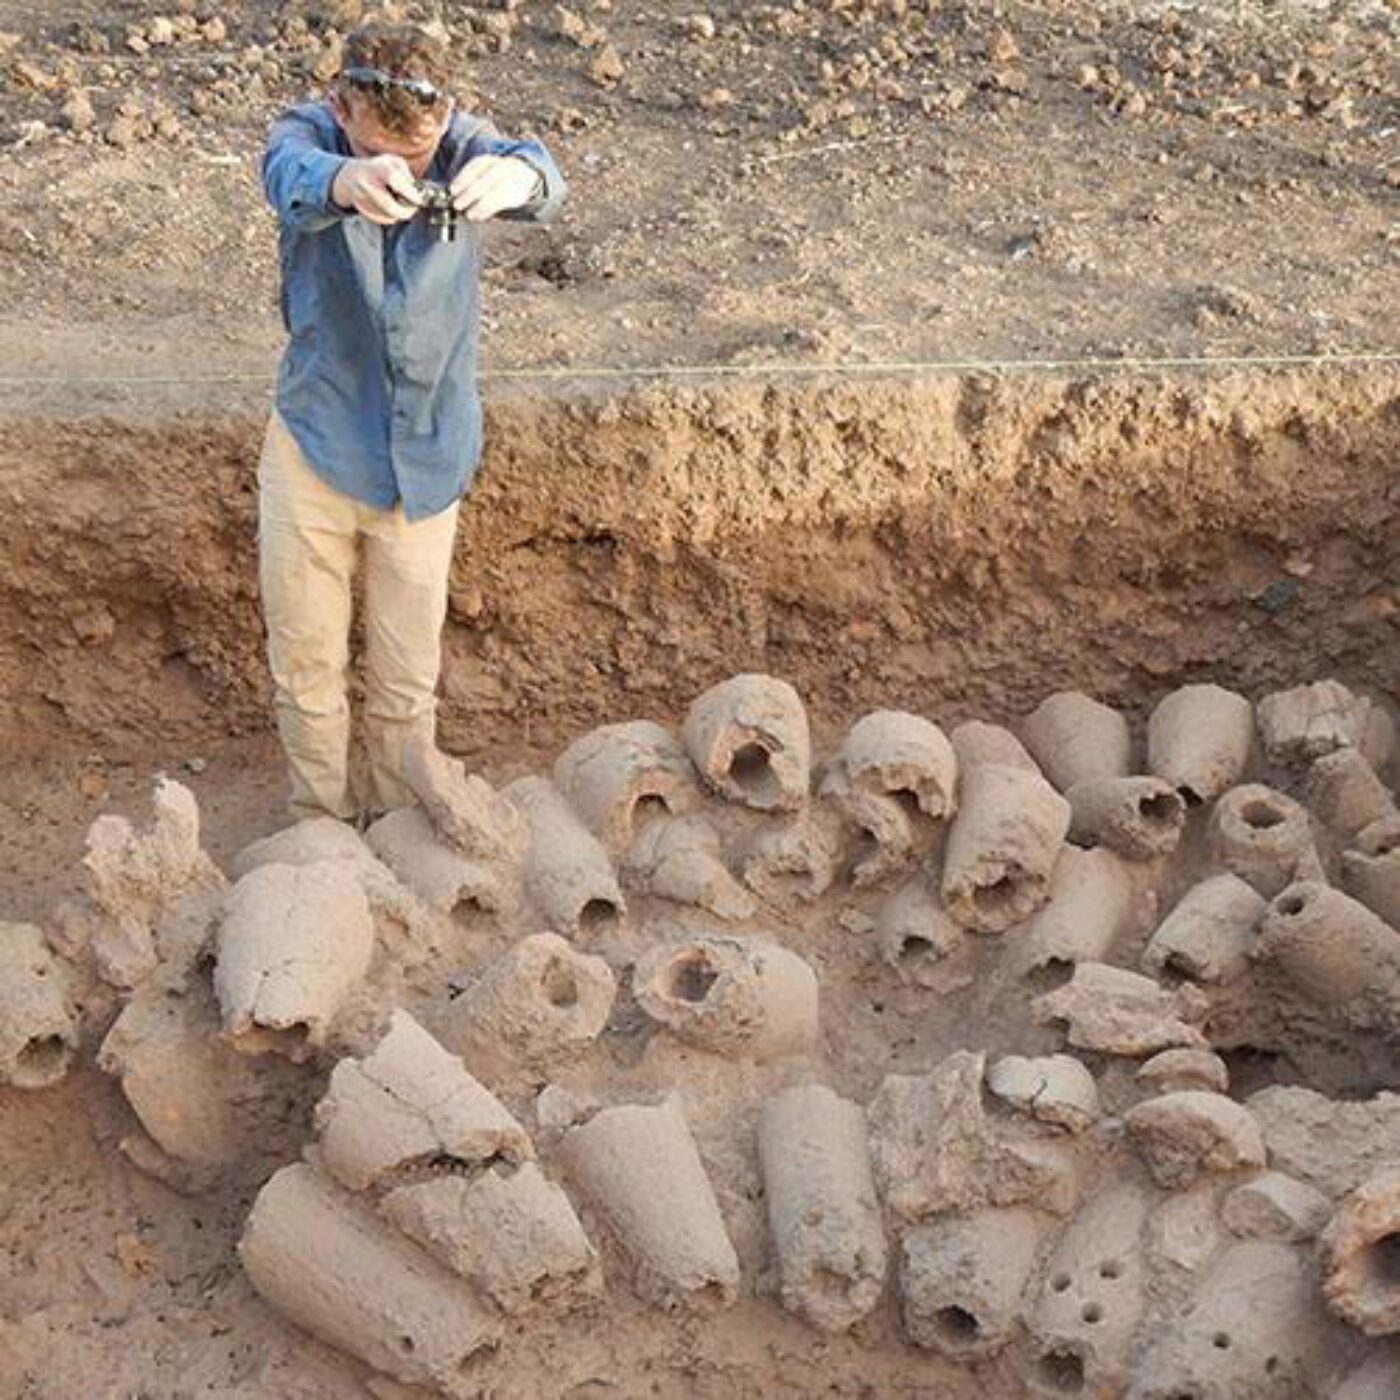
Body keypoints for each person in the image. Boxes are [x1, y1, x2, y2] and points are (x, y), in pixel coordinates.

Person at [258, 19, 565, 822]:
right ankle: (319, 830)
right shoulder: (309, 136)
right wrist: (343, 184)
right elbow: (287, 170)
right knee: (307, 667)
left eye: (423, 156)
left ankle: (394, 829)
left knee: (404, 677)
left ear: (448, 113)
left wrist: (516, 181)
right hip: (316, 449)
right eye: (381, 155)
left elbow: (544, 175)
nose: (408, 170)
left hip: (426, 457)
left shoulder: (467, 145)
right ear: (342, 109)